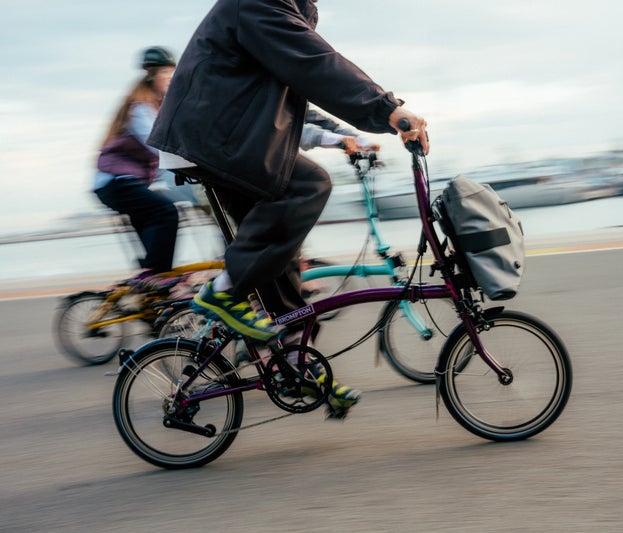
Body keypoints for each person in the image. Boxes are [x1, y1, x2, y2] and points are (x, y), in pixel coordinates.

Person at [148, 0, 429, 413]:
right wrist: (387, 110)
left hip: (221, 137)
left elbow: (301, 91)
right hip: (210, 139)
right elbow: (318, 65)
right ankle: (223, 292)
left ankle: (295, 364)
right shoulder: (258, 4)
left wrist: (349, 133)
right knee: (308, 186)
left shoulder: (281, 12)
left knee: (280, 246)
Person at [93, 46, 179, 277]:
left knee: (154, 239)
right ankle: (155, 279)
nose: (172, 80)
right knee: (166, 213)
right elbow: (157, 145)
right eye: (166, 75)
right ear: (152, 76)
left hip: (126, 183)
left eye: (174, 75)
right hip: (115, 183)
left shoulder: (156, 108)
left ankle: (150, 297)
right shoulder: (140, 108)